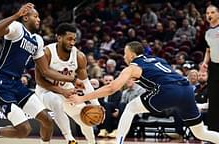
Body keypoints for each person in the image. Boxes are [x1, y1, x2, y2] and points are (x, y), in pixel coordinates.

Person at [69, 41, 219, 144]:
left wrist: (83, 98)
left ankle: (118, 142)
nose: (124, 56)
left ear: (132, 55)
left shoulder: (132, 68)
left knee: (131, 107)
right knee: (200, 133)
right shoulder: (158, 60)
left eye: (125, 53)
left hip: (168, 90)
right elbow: (166, 79)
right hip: (186, 90)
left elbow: (111, 88)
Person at [0, 3, 80, 144]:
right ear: (25, 18)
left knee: (47, 120)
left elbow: (45, 70)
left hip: (17, 84)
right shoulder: (17, 28)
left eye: (39, 17)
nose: (39, 20)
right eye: (35, 16)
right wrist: (16, 15)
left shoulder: (37, 40)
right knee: (24, 130)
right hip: (1, 83)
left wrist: (71, 78)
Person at [35, 23, 100, 144]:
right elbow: (39, 80)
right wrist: (62, 91)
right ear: (59, 38)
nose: (72, 42)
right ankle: (70, 139)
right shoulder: (46, 53)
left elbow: (85, 82)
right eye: (69, 39)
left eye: (74, 39)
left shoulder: (79, 56)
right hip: (46, 91)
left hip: (67, 90)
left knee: (84, 115)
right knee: (56, 101)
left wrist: (96, 104)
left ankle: (92, 142)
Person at [200, 5, 219, 132]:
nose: (209, 15)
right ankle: (214, 132)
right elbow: (208, 50)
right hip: (214, 67)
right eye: (207, 13)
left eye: (212, 12)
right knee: (214, 98)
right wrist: (204, 62)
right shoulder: (207, 32)